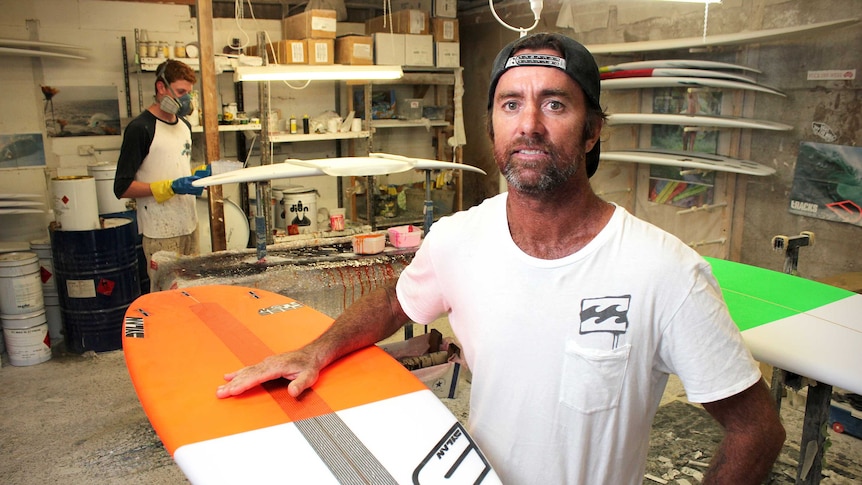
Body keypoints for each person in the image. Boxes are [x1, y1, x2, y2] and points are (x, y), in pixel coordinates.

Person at [215, 33, 785, 484]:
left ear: (592, 132)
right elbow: (395, 303)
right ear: (492, 124)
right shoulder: (457, 239)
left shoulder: (666, 272)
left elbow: (757, 433)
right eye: (511, 103)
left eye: (554, 103)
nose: (528, 124)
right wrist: (317, 349)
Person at [113, 59, 208, 287]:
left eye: (189, 93)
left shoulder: (184, 126)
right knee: (167, 299)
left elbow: (173, 166)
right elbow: (122, 187)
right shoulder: (141, 128)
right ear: (161, 88)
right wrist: (170, 187)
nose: (185, 99)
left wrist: (199, 176)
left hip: (189, 225)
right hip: (160, 233)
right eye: (180, 92)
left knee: (193, 293)